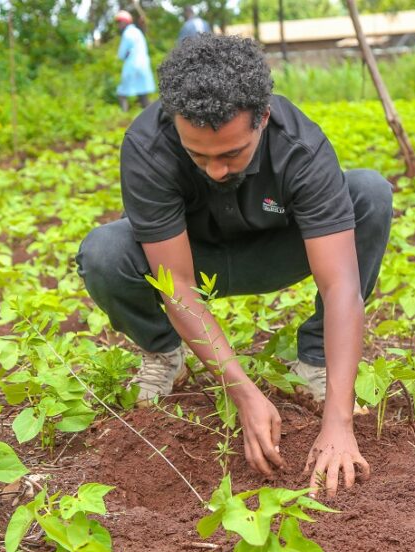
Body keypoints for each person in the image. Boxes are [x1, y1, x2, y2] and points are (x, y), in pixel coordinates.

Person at [77, 35, 393, 498]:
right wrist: (241, 389)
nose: (215, 170)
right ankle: (165, 353)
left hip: (277, 252)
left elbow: (341, 285)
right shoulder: (148, 145)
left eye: (230, 154)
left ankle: (314, 359)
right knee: (104, 250)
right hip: (192, 259)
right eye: (197, 154)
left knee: (368, 192)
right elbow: (178, 283)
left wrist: (338, 422)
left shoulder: (299, 146)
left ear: (262, 119)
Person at [114, 10, 155, 112]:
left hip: (132, 66)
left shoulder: (127, 34)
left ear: (125, 22)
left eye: (119, 23)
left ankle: (124, 115)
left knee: (122, 93)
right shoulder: (138, 32)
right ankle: (151, 117)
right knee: (143, 95)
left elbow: (121, 54)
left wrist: (123, 56)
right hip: (144, 66)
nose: (118, 25)